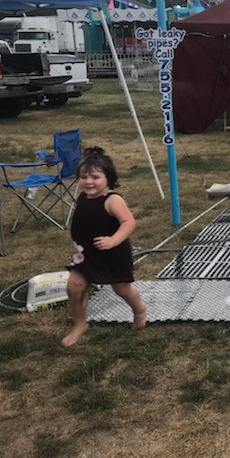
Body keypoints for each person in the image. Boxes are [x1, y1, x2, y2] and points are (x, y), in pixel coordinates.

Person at [62, 147, 147, 347]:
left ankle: (139, 309)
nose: (88, 182)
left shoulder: (112, 200)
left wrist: (113, 240)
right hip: (87, 254)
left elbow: (128, 222)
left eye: (95, 177)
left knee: (121, 288)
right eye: (83, 177)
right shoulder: (84, 197)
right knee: (74, 287)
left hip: (113, 255)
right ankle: (80, 324)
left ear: (108, 178)